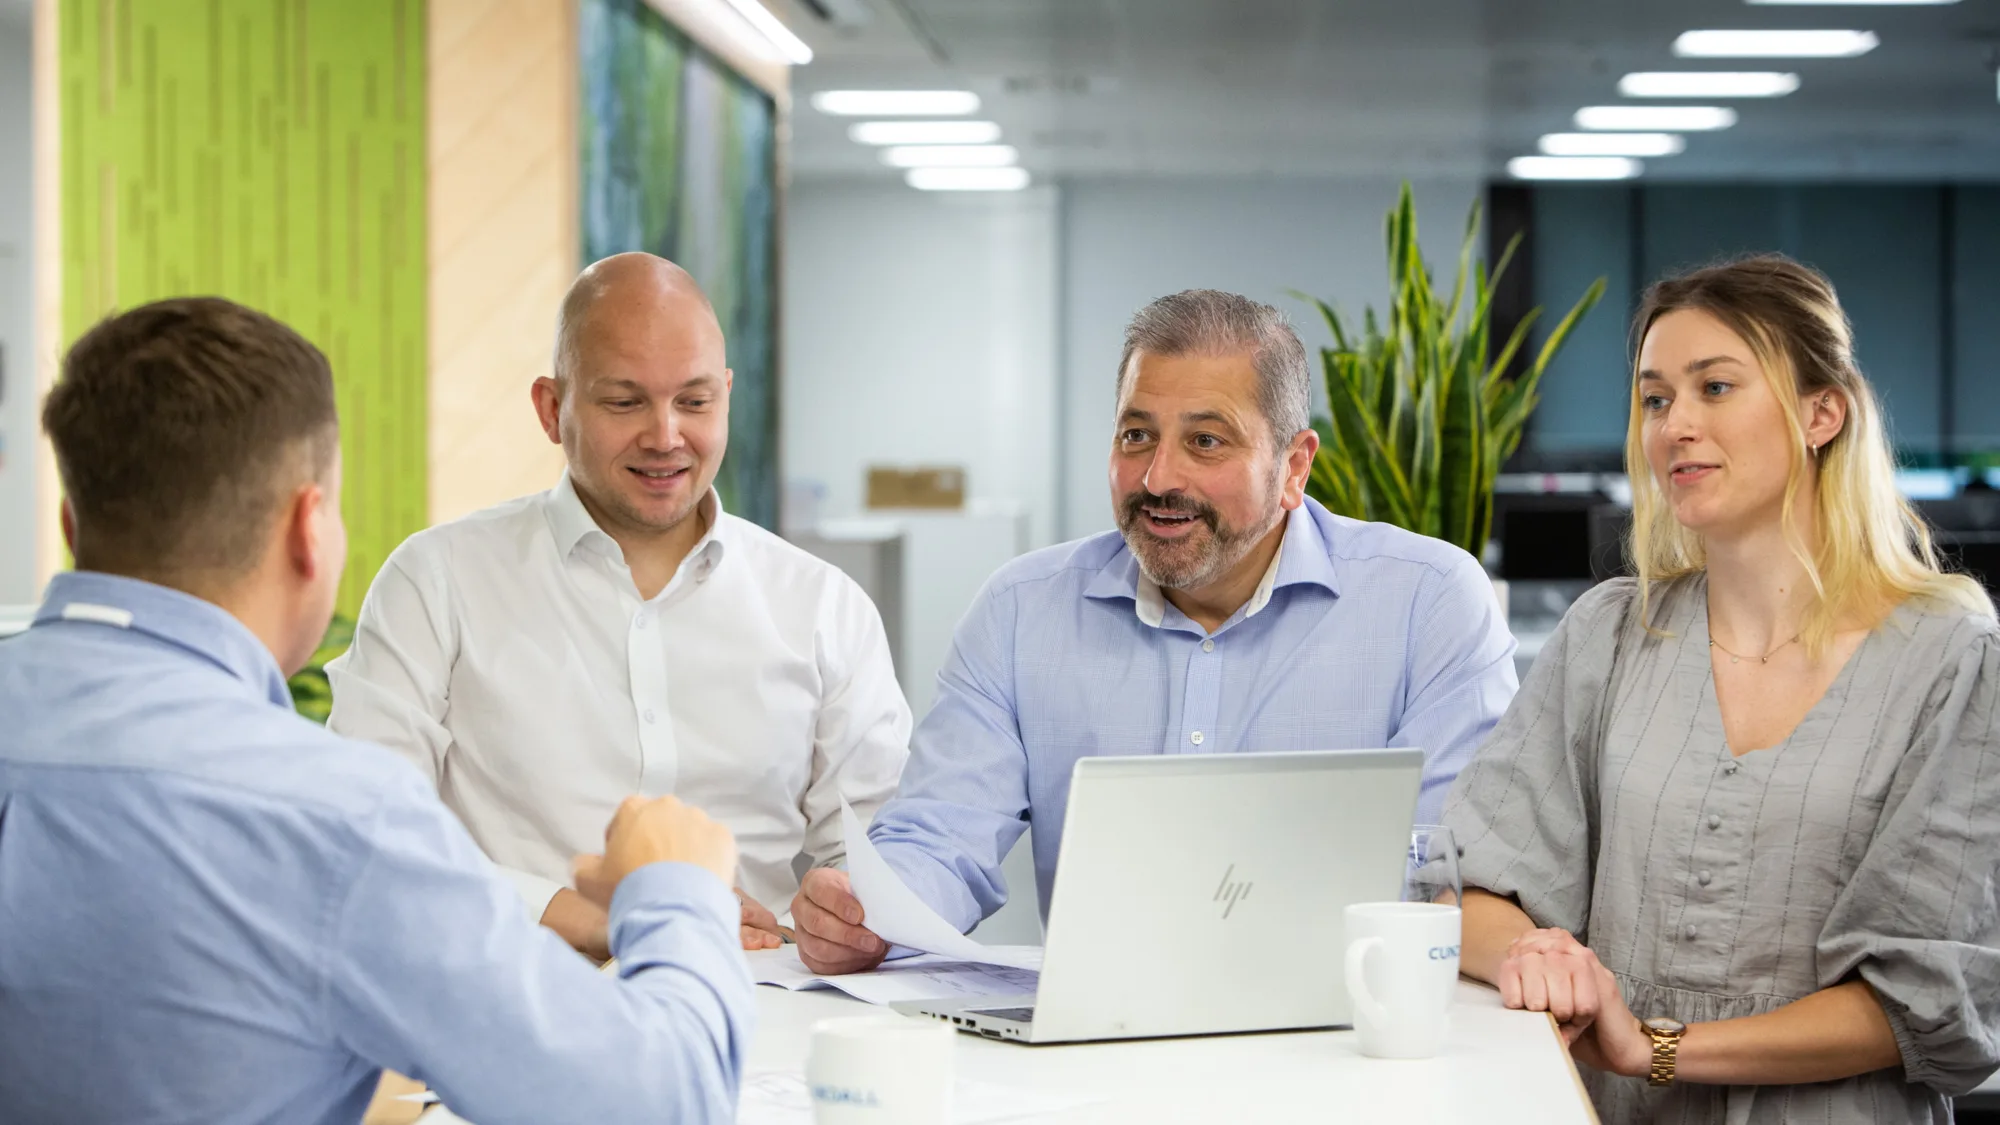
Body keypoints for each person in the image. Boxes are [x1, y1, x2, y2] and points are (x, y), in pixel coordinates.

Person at [0, 298, 755, 1124]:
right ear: (309, 529)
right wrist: (676, 890)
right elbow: (662, 1102)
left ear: (76, 525)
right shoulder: (333, 819)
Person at [792, 288, 1519, 974]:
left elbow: (1443, 874)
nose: (1158, 476)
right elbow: (941, 837)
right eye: (1137, 435)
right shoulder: (1020, 611)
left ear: (1295, 466)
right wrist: (868, 913)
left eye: (1206, 441)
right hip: (1100, 1048)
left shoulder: (1429, 604)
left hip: (1345, 1038)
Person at [1444, 254, 2000, 1122]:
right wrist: (1542, 953)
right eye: (1657, 398)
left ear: (1822, 412)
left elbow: (1923, 996)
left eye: (1716, 387)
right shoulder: (1609, 633)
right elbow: (1476, 888)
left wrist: (1656, 1046)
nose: (1675, 426)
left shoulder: (1949, 656)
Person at [327, 253, 910, 958]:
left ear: (727, 395)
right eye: (625, 402)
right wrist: (629, 923)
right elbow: (369, 832)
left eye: (694, 402)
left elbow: (878, 851)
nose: (665, 436)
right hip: (510, 1022)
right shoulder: (436, 581)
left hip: (768, 1029)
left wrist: (851, 920)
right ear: (551, 408)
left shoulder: (823, 607)